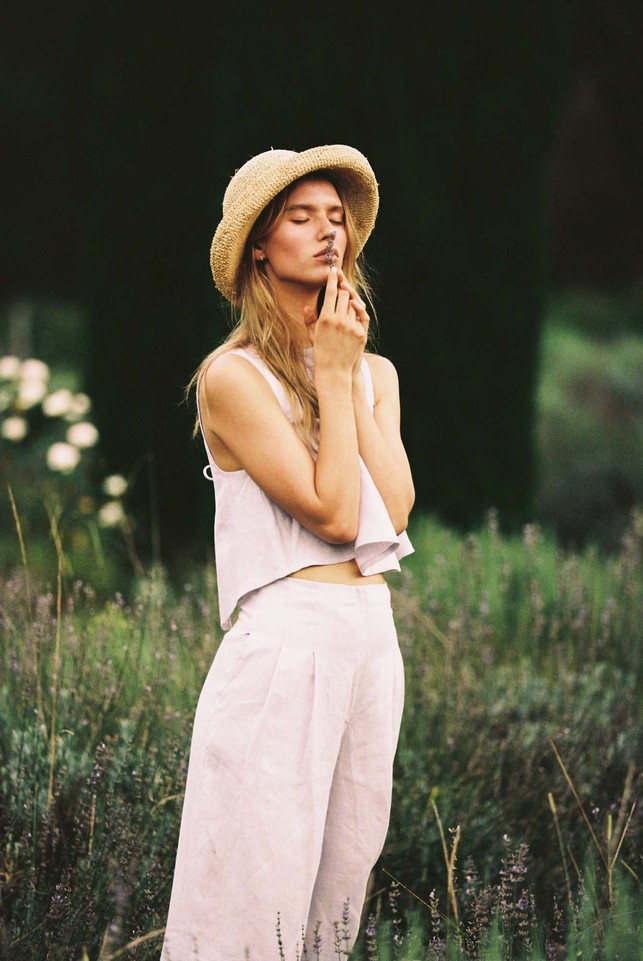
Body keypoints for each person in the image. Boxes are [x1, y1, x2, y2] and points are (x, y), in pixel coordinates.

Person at [161, 144, 415, 961]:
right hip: (285, 641)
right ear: (259, 248)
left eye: (335, 217)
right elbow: (336, 515)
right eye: (300, 218)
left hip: (369, 639)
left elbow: (393, 511)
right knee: (251, 895)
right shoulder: (232, 377)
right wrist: (332, 378)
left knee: (335, 899)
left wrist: (347, 374)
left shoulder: (376, 373)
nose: (327, 231)